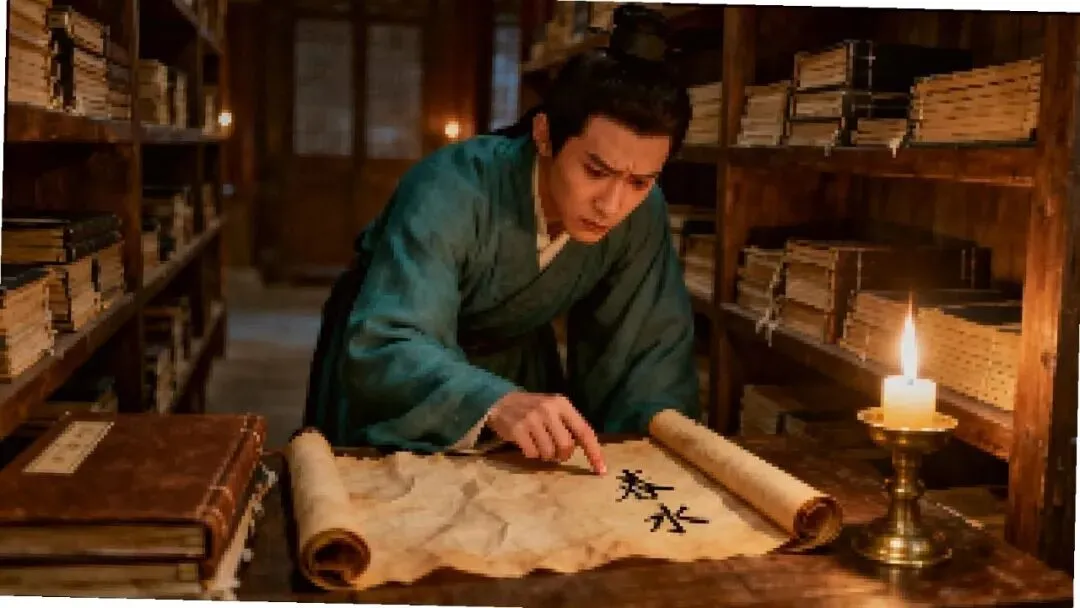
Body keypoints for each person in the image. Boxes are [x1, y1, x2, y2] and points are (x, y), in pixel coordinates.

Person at [303, 3, 699, 475]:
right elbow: (393, 335)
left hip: (515, 370)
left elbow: (647, 356)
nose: (612, 205)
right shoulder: (450, 187)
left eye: (640, 181)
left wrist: (651, 451)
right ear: (544, 135)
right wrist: (492, 401)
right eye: (596, 171)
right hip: (408, 378)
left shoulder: (642, 210)